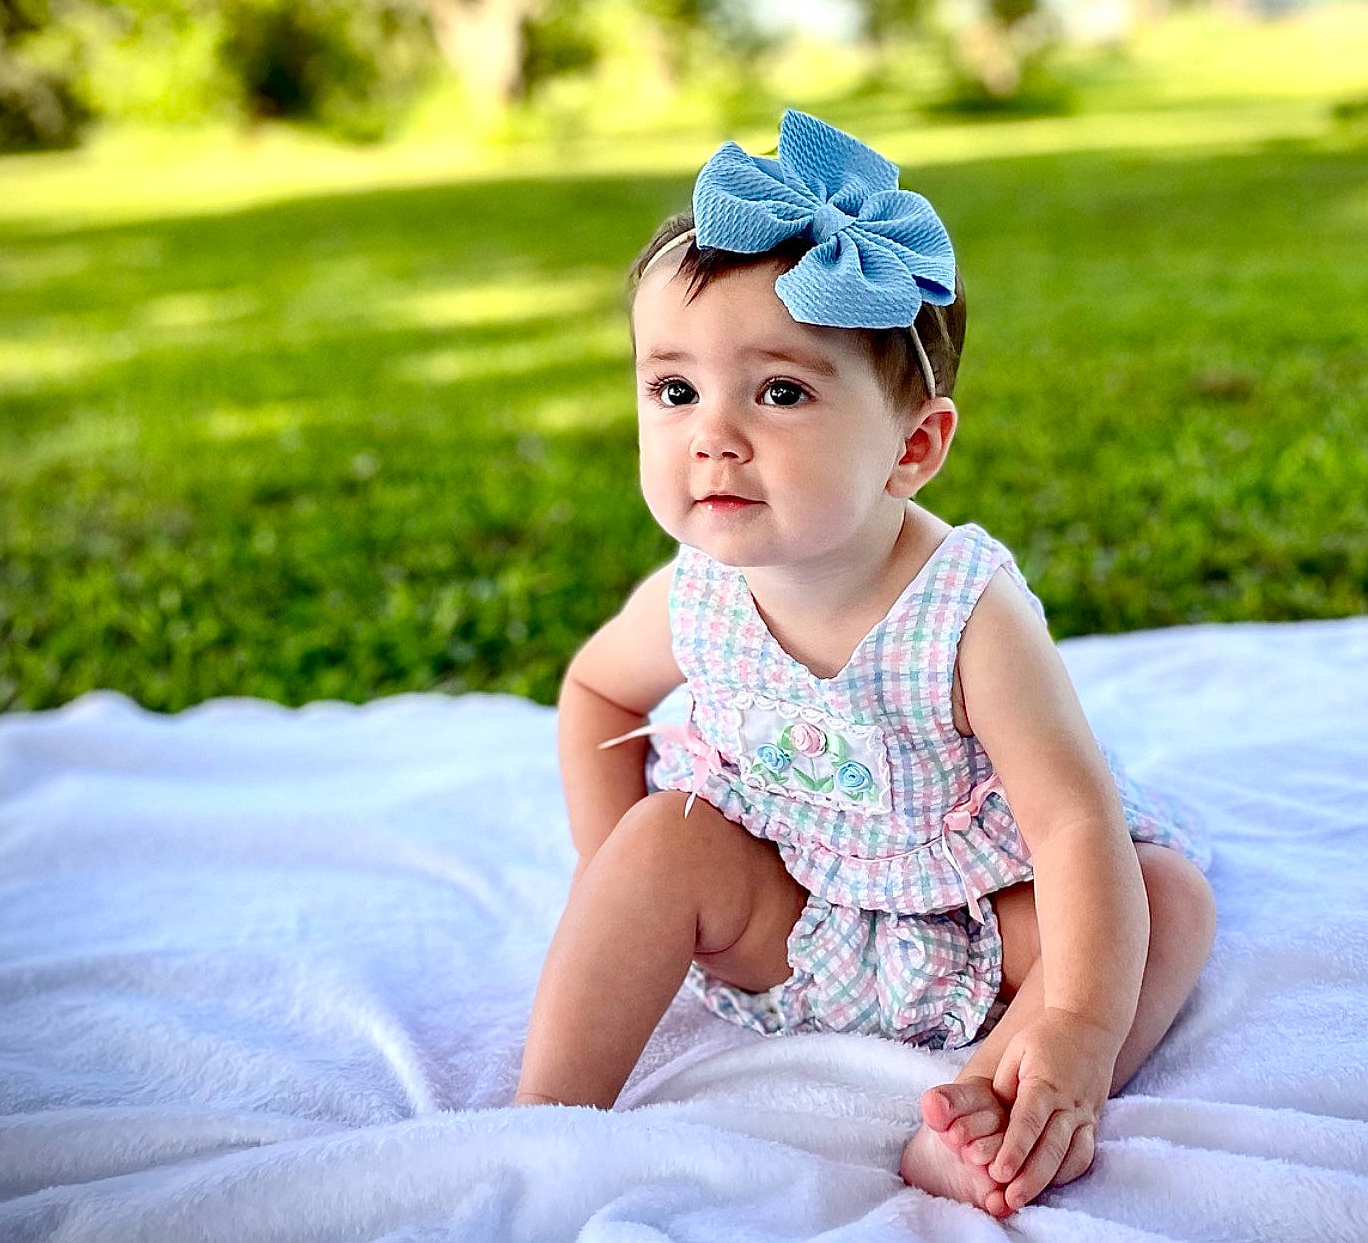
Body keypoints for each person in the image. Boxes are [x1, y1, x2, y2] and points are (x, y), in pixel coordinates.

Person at [514, 109, 1216, 1217]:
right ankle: (543, 1125)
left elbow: (1071, 825)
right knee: (663, 841)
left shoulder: (965, 611)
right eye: (674, 389)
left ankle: (1003, 1112)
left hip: (983, 923)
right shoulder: (694, 590)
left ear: (913, 447)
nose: (713, 434)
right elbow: (595, 692)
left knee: (1161, 903)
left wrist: (1078, 1021)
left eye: (780, 391)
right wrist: (625, 885)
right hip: (791, 915)